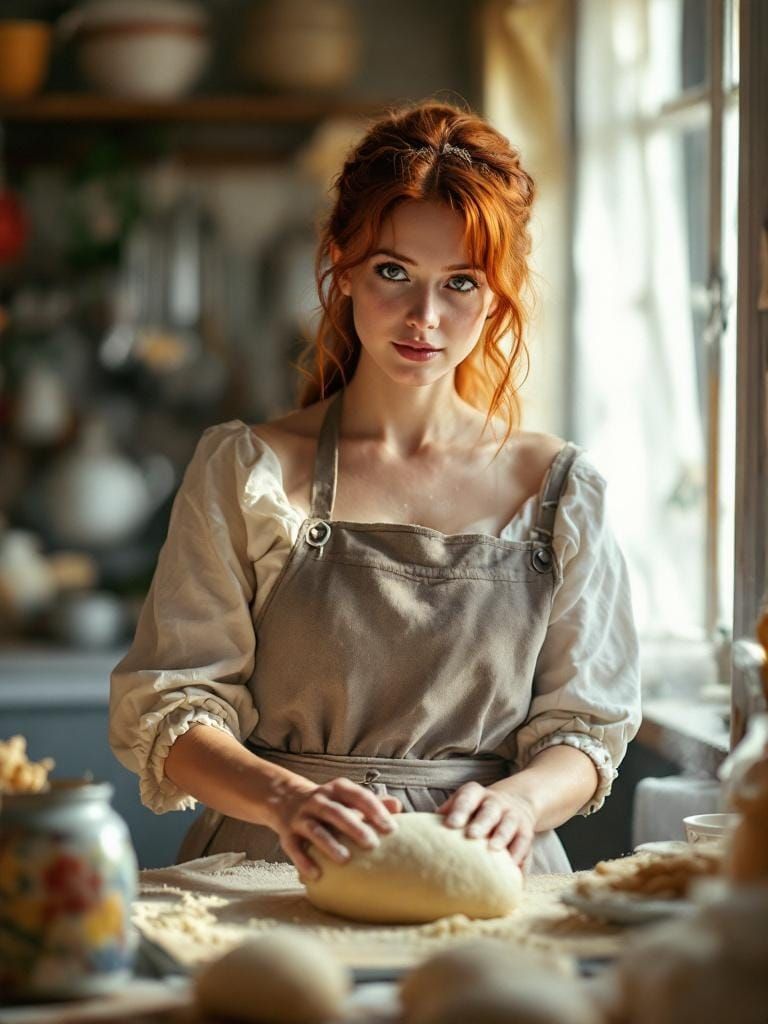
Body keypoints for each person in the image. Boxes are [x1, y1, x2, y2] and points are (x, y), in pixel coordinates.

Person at [110, 101, 641, 878]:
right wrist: (287, 800)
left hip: (490, 873)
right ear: (343, 267)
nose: (424, 317)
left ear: (497, 294)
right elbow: (173, 709)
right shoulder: (246, 470)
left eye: (460, 282)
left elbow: (586, 730)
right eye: (394, 272)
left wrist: (522, 802)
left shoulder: (560, 490)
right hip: (276, 869)